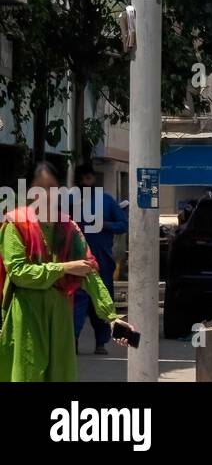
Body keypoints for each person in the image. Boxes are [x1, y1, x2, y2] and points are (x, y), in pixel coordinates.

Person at [0, 162, 134, 381]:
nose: (46, 195)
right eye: (39, 188)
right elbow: (19, 272)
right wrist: (65, 268)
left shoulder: (68, 228)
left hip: (61, 313)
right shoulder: (16, 224)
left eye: (51, 188)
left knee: (60, 374)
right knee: (27, 373)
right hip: (26, 315)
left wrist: (111, 317)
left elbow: (89, 272)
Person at [71, 165, 128, 355]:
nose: (86, 182)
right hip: (75, 261)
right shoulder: (70, 201)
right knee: (76, 302)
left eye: (89, 178)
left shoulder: (106, 201)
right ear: (77, 181)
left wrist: (105, 224)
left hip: (102, 261)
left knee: (102, 301)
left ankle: (101, 342)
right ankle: (73, 340)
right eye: (83, 179)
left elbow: (122, 224)